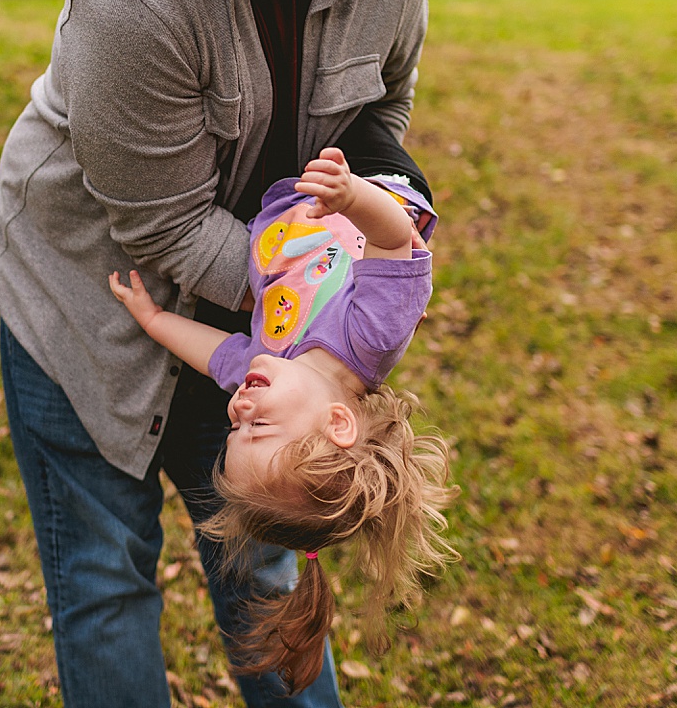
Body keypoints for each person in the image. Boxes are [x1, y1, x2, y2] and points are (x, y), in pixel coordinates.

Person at [0, 0, 433, 703]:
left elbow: (381, 116)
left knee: (263, 568)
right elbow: (172, 235)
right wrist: (318, 310)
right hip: (93, 301)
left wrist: (380, 202)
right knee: (105, 585)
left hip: (257, 322)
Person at [108, 146, 456, 693]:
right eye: (257, 427)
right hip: (370, 177)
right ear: (338, 425)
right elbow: (393, 240)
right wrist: (353, 194)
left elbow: (215, 352)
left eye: (234, 429)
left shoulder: (274, 369)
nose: (237, 409)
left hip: (297, 198)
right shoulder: (371, 338)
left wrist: (155, 321)